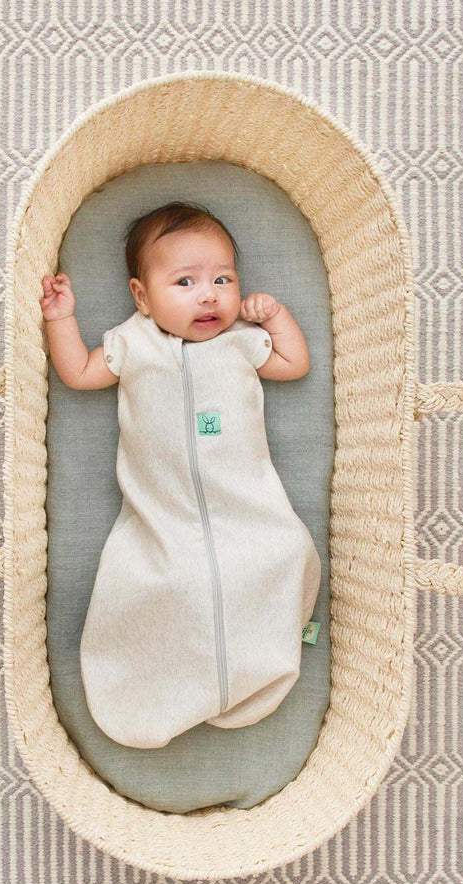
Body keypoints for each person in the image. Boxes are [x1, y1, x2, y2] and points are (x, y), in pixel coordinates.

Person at [39, 201, 321, 749]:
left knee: (283, 553)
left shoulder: (242, 340)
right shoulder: (131, 343)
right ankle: (158, 683)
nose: (209, 295)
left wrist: (275, 318)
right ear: (142, 297)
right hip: (160, 518)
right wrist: (60, 320)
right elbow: (78, 372)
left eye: (223, 279)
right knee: (157, 585)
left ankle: (259, 660)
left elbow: (295, 365)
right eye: (185, 282)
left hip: (248, 509)